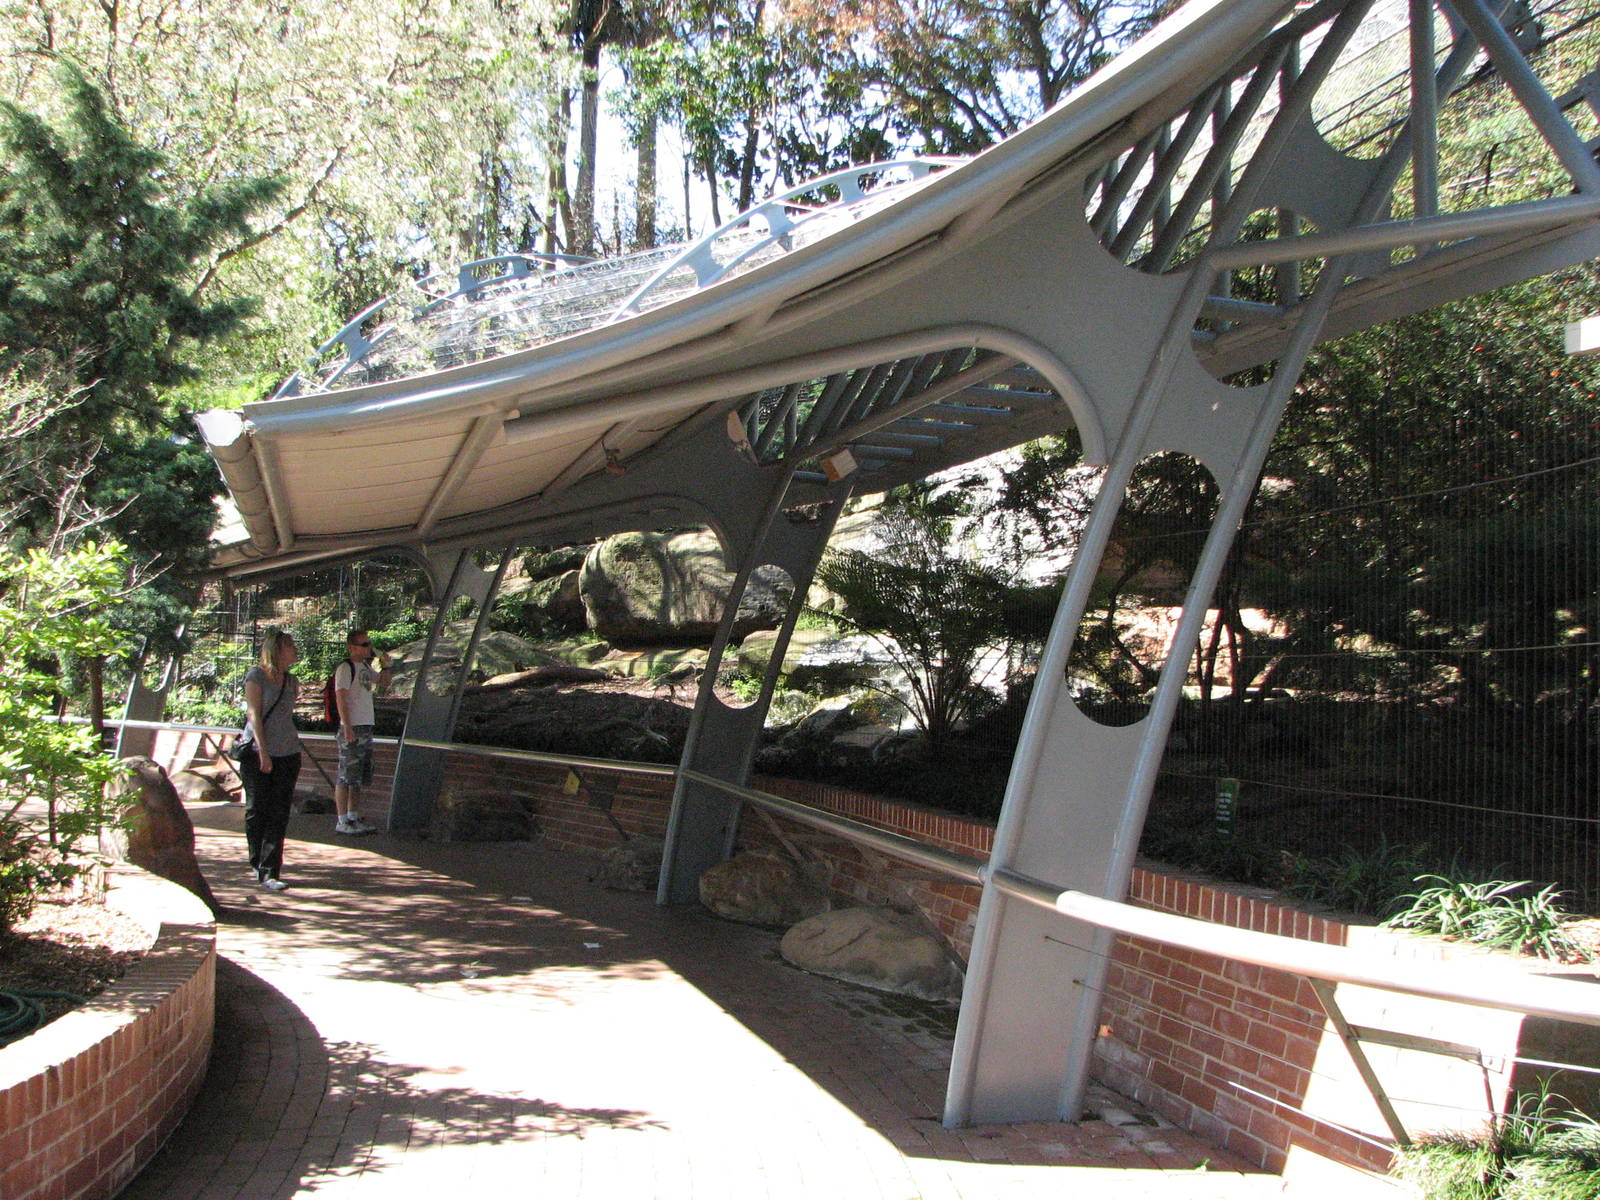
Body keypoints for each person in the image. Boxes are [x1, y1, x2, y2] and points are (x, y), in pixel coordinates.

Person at [237, 628, 302, 892]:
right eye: (290, 646)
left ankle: (270, 870)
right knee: (257, 809)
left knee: (279, 811)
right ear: (278, 649)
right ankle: (257, 861)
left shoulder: (292, 681)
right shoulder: (256, 676)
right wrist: (263, 751)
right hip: (257, 752)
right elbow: (254, 714)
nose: (295, 650)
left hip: (288, 752)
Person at [333, 628, 391, 835]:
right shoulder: (345, 668)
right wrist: (347, 726)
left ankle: (353, 816)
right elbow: (341, 697)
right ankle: (341, 820)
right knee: (346, 774)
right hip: (353, 725)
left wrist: (386, 666)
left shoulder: (365, 667)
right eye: (364, 644)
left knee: (357, 776)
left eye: (369, 644)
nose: (368, 648)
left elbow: (383, 682)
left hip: (366, 725)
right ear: (352, 647)